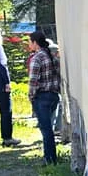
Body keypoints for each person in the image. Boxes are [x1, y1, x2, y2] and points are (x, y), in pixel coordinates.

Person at [27, 31, 61, 164]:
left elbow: (33, 80)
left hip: (42, 96)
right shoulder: (52, 56)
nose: (29, 45)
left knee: (45, 129)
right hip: (53, 94)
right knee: (50, 128)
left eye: (30, 42)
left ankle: (49, 158)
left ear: (35, 43)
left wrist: (31, 95)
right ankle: (52, 156)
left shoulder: (37, 58)